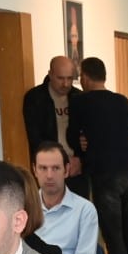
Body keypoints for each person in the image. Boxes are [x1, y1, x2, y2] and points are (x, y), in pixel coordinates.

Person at [75, 57, 128, 254]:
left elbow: (73, 133)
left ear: (85, 77)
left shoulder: (82, 101)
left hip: (105, 173)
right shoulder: (122, 100)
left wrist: (80, 141)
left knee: (113, 233)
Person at [21, 56, 88, 198]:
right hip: (49, 167)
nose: (65, 84)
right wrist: (58, 160)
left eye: (69, 78)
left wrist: (81, 160)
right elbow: (35, 137)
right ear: (50, 74)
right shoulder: (35, 98)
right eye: (60, 78)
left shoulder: (79, 97)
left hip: (76, 167)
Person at [30, 141, 99, 254]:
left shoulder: (84, 210)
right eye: (43, 168)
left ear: (66, 170)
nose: (49, 175)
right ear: (34, 170)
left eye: (56, 168)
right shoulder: (23, 207)